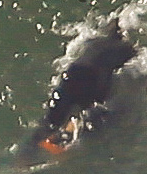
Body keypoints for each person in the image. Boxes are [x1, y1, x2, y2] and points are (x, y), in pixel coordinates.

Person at [25, 17, 140, 161]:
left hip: (72, 74)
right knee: (95, 117)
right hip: (94, 79)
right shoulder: (125, 49)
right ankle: (61, 144)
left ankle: (23, 159)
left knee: (50, 121)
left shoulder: (94, 42)